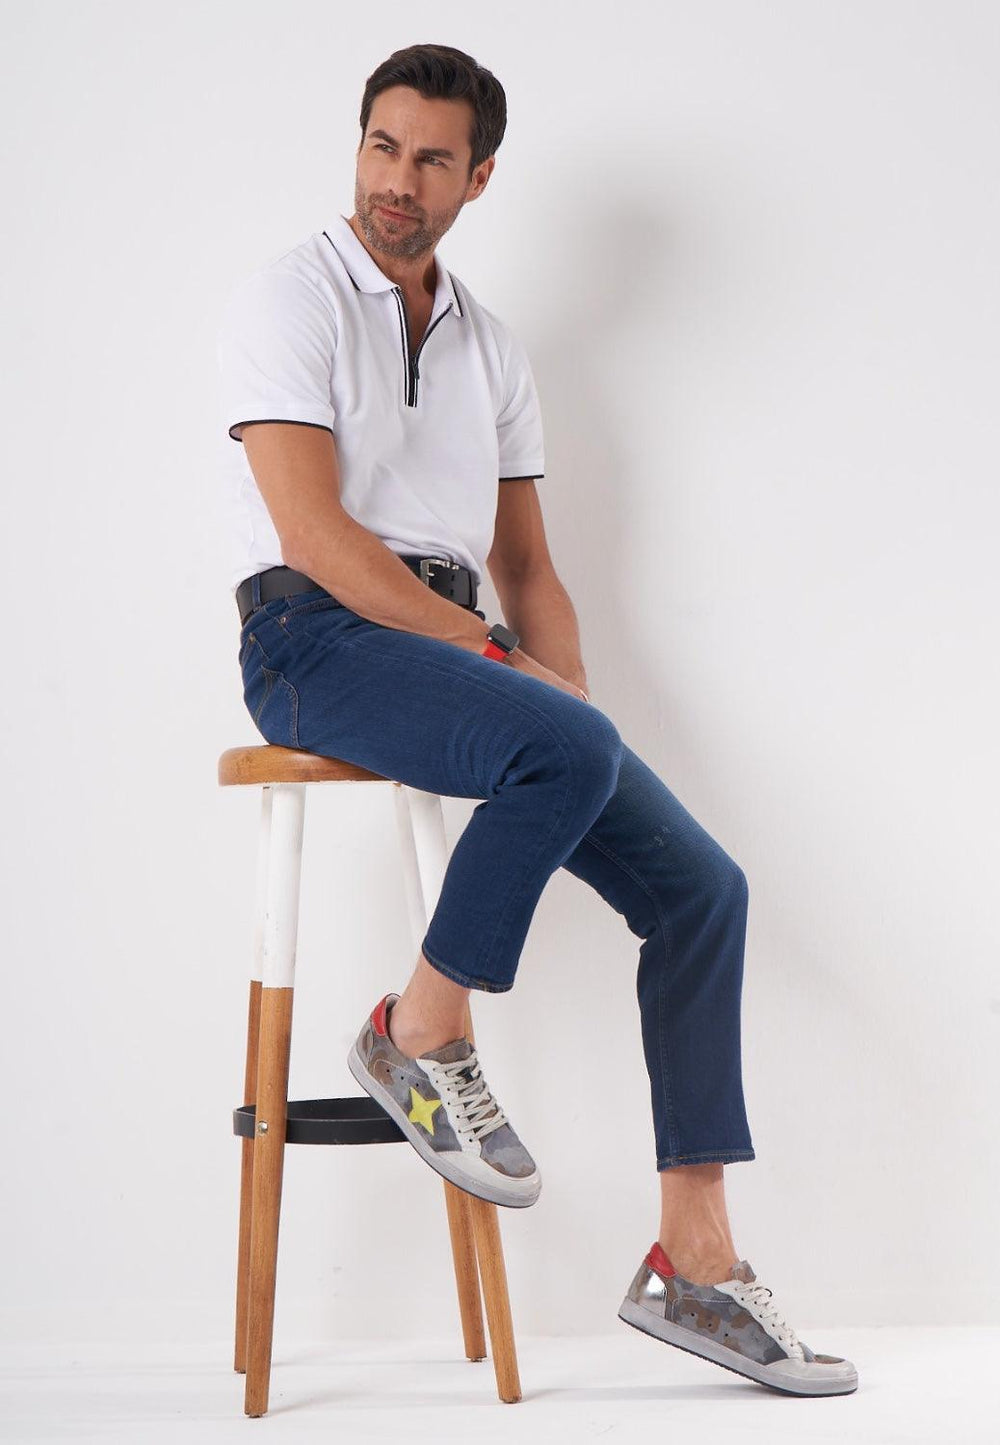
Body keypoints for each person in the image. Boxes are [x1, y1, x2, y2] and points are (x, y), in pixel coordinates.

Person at [216, 42, 857, 1398]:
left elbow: (528, 565)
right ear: (359, 145)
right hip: (314, 639)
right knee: (559, 740)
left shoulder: (492, 347)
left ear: (480, 177)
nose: (398, 179)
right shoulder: (292, 295)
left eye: (431, 158)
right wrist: (506, 669)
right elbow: (316, 536)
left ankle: (695, 1259)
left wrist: (564, 694)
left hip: (458, 651)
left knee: (704, 891)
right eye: (382, 146)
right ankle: (417, 1033)